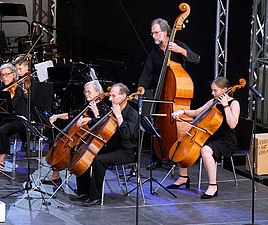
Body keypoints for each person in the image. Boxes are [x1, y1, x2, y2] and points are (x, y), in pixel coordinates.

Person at [137, 18, 200, 170]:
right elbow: (147, 73)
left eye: (156, 33)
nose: (153, 36)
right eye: (152, 33)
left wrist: (180, 50)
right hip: (159, 93)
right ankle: (156, 158)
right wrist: (140, 89)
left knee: (172, 125)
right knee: (153, 122)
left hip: (173, 95)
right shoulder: (154, 53)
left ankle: (174, 155)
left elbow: (196, 59)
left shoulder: (178, 46)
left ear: (165, 32)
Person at [167, 77, 240, 199]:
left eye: (215, 90)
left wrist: (225, 106)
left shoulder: (234, 103)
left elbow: (232, 124)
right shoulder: (213, 101)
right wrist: (182, 111)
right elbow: (196, 112)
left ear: (225, 90)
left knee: (205, 150)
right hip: (211, 136)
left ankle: (213, 186)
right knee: (184, 139)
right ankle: (183, 178)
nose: (213, 93)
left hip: (226, 140)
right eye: (212, 90)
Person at [70, 83, 139, 206]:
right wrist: (91, 119)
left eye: (113, 96)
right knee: (82, 151)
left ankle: (95, 197)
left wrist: (118, 115)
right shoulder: (113, 110)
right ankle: (84, 191)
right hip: (112, 148)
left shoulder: (132, 114)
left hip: (127, 152)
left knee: (98, 160)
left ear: (123, 96)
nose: (110, 99)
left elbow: (126, 134)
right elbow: (104, 127)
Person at [43, 80, 109, 185]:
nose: (86, 94)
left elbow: (102, 127)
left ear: (97, 92)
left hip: (92, 142)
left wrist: (95, 112)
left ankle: (83, 189)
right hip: (81, 138)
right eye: (85, 92)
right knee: (54, 143)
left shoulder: (104, 107)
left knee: (75, 152)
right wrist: (57, 116)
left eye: (89, 92)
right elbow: (71, 115)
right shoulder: (87, 105)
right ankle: (56, 176)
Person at [0, 63, 28, 173]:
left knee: (3, 130)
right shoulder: (0, 88)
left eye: (7, 74)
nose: (5, 77)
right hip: (3, 118)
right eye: (2, 75)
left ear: (13, 75)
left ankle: (1, 162)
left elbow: (10, 107)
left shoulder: (18, 90)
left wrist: (3, 97)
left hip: (17, 119)